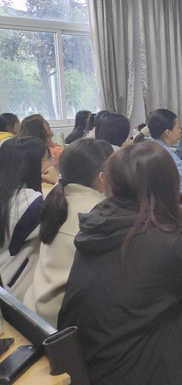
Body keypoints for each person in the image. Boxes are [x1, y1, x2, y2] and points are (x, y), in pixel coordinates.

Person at [57, 141, 182, 385]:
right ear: (169, 184)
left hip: (94, 363)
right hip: (137, 368)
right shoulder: (164, 240)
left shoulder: (101, 221)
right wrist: (173, 212)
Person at [23, 138, 113, 326]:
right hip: (62, 321)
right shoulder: (97, 213)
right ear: (103, 176)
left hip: (35, 306)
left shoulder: (56, 197)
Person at [0, 137, 49, 300]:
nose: (51, 164)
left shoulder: (8, 195)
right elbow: (59, 218)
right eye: (47, 159)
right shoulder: (31, 203)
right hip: (13, 291)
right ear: (34, 166)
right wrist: (59, 182)